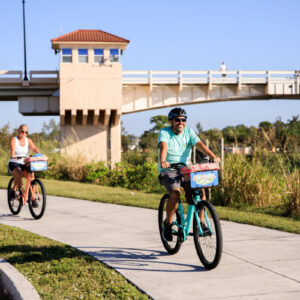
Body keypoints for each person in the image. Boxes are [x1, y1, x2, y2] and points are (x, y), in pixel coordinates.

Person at [158, 108, 221, 241]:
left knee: (201, 192)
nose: (180, 122)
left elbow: (200, 144)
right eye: (177, 120)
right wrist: (163, 161)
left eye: (183, 120)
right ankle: (168, 224)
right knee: (175, 193)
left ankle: (201, 223)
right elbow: (164, 147)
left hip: (186, 169)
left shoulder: (189, 132)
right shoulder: (164, 132)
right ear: (171, 121)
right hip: (169, 170)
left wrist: (213, 156)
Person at [8, 124, 40, 206]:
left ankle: (33, 198)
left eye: (26, 132)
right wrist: (13, 154)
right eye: (22, 131)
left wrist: (40, 154)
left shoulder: (28, 140)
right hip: (14, 162)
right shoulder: (14, 139)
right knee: (19, 173)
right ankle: (14, 190)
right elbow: (13, 148)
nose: (24, 133)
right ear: (18, 131)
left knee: (31, 176)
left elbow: (34, 148)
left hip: (24, 163)